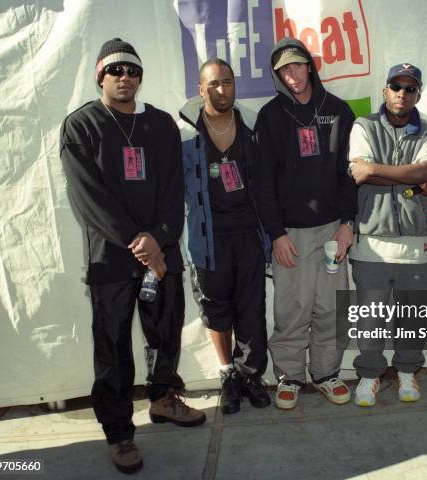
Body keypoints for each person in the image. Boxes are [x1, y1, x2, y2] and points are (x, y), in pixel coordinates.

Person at [60, 38, 205, 474]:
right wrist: (138, 242)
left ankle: (163, 399)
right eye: (115, 71)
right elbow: (89, 198)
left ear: (140, 77)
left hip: (161, 254)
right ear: (99, 77)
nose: (124, 77)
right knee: (113, 347)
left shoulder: (160, 124)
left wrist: (159, 239)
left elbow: (173, 188)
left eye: (132, 71)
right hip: (112, 259)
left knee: (166, 331)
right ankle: (119, 432)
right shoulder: (80, 125)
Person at [255, 38, 357, 409]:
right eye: (284, 69)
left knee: (330, 306)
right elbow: (262, 181)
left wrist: (348, 223)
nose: (292, 74)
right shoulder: (270, 116)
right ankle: (290, 375)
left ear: (310, 67)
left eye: (297, 66)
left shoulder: (338, 111)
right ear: (277, 75)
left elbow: (350, 174)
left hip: (332, 228)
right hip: (290, 233)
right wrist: (276, 233)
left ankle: (327, 373)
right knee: (292, 307)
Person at [348, 63, 427, 407]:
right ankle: (369, 375)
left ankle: (407, 371)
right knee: (370, 319)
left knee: (412, 319)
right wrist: (412, 178)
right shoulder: (364, 126)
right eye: (395, 86)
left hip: (417, 247)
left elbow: (424, 171)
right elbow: (359, 173)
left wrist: (376, 169)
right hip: (371, 243)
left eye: (410, 88)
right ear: (384, 91)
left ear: (418, 93)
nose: (402, 94)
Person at [180, 58, 271, 415]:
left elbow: (265, 182)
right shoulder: (184, 129)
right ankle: (227, 374)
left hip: (248, 232)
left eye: (228, 82)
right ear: (201, 88)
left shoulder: (251, 124)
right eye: (214, 83)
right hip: (207, 236)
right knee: (217, 310)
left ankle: (251, 375)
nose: (222, 90)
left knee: (251, 309)